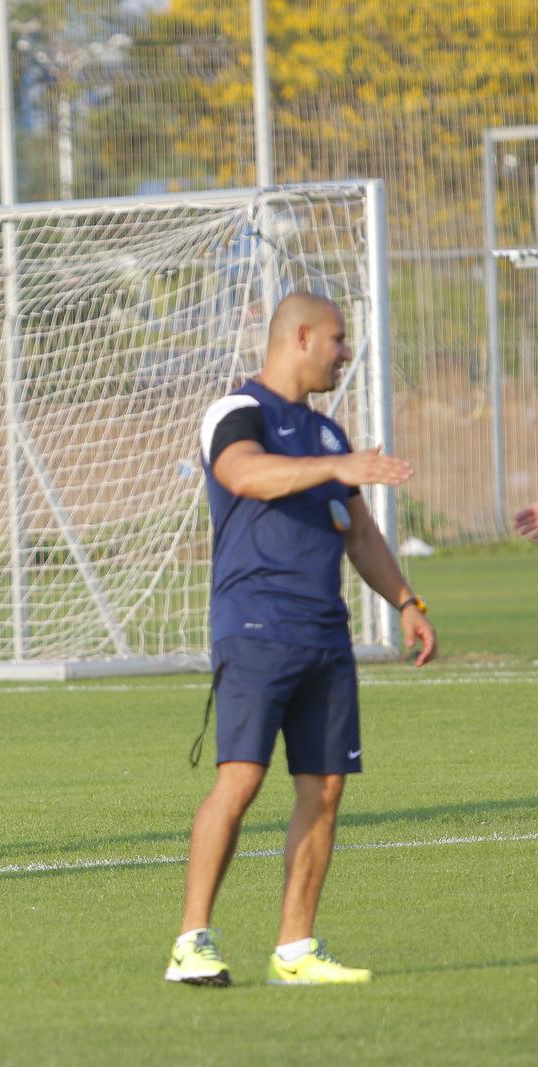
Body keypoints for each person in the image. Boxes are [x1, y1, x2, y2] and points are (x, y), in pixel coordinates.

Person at [165, 292, 437, 987]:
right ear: (303, 337)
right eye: (339, 340)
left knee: (325, 787)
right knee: (241, 778)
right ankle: (191, 942)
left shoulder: (329, 435)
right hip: (255, 627)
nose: (346, 354)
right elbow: (244, 474)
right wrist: (334, 470)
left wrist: (406, 601)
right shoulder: (238, 412)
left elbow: (362, 536)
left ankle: (295, 949)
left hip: (324, 635)